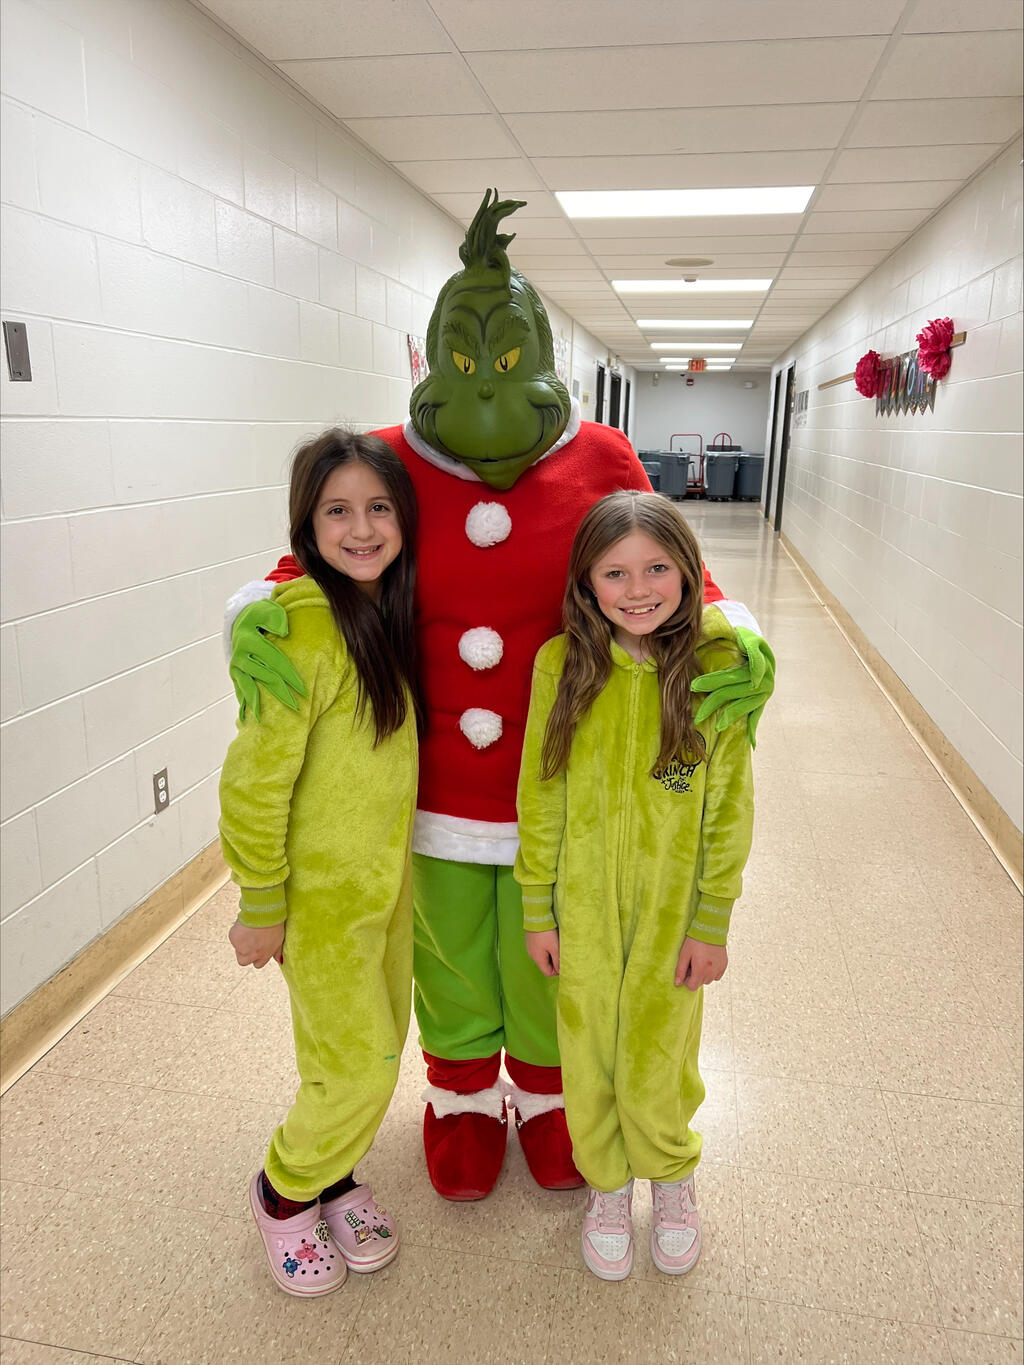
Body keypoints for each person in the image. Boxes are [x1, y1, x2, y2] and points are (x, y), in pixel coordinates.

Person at [225, 190, 774, 1203]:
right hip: (430, 781)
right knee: (449, 952)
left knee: (546, 952)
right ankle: (463, 1097)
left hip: (565, 772)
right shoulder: (389, 460)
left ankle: (551, 1094)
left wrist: (734, 633)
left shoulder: (602, 455)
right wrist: (257, 611)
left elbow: (665, 562)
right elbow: (321, 555)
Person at [514, 490, 755, 1281]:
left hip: (670, 914)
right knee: (587, 1056)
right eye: (614, 572)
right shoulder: (561, 666)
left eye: (657, 568)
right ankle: (608, 1188)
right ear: (586, 581)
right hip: (581, 909)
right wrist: (538, 907)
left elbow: (728, 808)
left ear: (688, 571)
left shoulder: (715, 671)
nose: (638, 588)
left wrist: (711, 920)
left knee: (658, 1055)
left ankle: (672, 1178)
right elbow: (540, 794)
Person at [219, 430, 423, 1297]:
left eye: (379, 507)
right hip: (322, 901)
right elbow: (253, 783)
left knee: (365, 1047)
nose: (362, 528)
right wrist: (262, 899)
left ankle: (335, 1173)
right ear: (307, 523)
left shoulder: (386, 610)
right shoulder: (299, 629)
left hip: (386, 889)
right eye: (337, 510)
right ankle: (284, 1187)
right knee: (362, 1061)